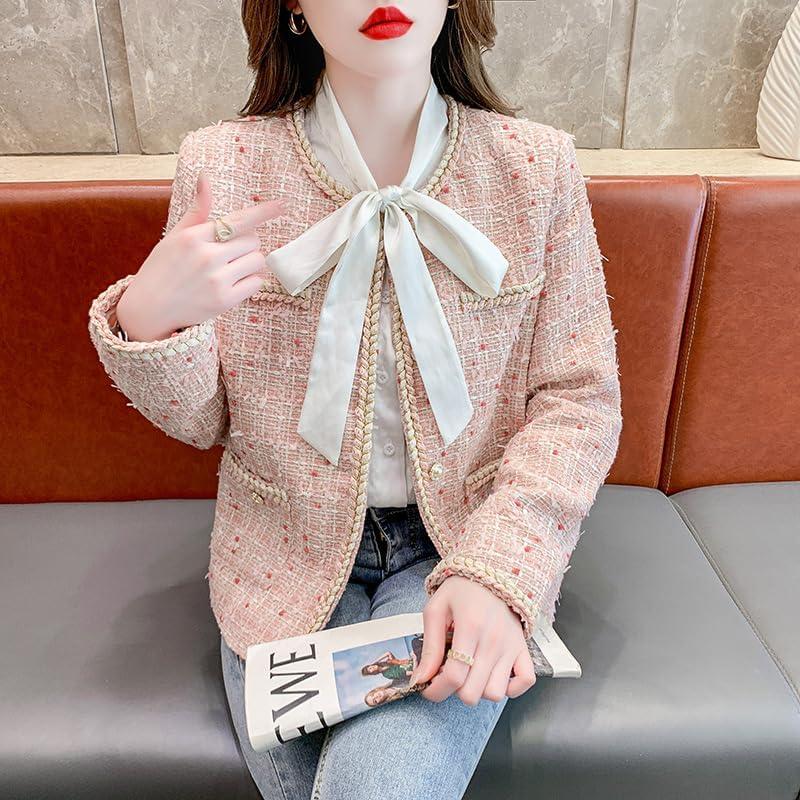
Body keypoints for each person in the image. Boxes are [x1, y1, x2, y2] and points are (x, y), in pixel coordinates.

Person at [87, 1, 623, 797]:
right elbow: (203, 422)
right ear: (294, 7)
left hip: (465, 544)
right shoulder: (223, 164)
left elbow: (579, 400)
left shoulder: (534, 167)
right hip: (279, 557)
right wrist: (151, 321)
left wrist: (498, 572)